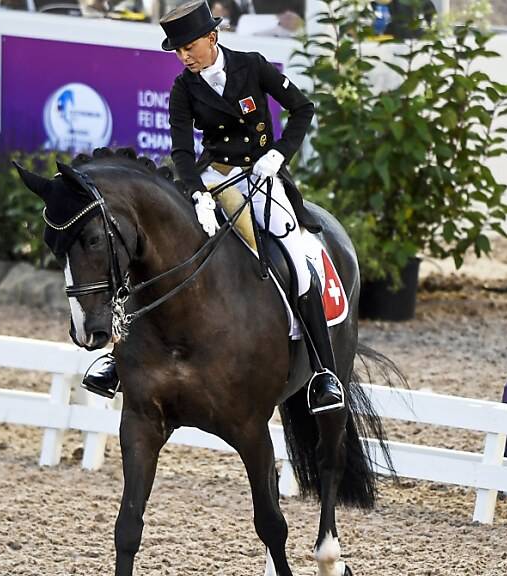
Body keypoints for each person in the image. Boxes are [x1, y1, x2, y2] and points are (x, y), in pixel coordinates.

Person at [83, 0, 344, 415]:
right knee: (158, 252)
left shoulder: (252, 66)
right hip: (212, 177)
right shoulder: (183, 89)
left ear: (212, 37)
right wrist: (196, 192)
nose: (184, 57)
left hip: (262, 175)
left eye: (189, 47)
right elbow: (183, 150)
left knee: (294, 251)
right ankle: (118, 359)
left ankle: (324, 375)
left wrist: (279, 154)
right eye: (178, 51)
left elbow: (302, 109)